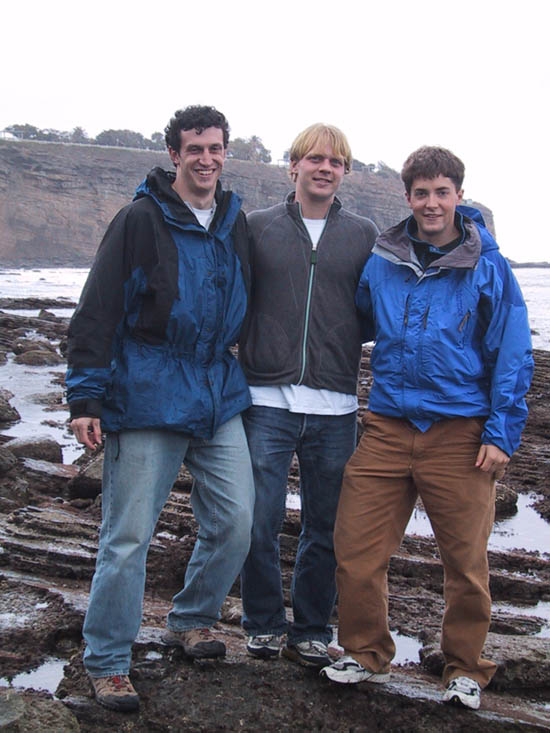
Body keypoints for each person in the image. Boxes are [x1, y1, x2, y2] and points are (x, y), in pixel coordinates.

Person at [321, 146, 533, 711]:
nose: (432, 203)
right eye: (422, 193)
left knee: (465, 562)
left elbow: (513, 353)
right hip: (387, 426)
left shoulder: (489, 266)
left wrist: (501, 433)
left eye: (442, 192)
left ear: (459, 195)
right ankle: (364, 652)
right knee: (356, 550)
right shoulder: (382, 260)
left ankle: (465, 668)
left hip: (461, 433)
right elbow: (355, 323)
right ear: (408, 196)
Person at [66, 105, 255, 712]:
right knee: (127, 537)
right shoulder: (140, 220)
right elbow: (97, 310)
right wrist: (85, 397)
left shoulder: (234, 221)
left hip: (217, 391)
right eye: (194, 148)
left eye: (215, 148)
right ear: (174, 154)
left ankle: (192, 618)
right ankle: (107, 662)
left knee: (237, 521)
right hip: (146, 391)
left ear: (226, 153)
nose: (206, 159)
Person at [239, 123, 379, 667]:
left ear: (345, 172)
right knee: (258, 521)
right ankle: (263, 624)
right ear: (293, 165)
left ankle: (312, 630)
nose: (325, 168)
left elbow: (376, 311)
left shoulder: (364, 235)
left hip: (336, 407)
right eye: (315, 159)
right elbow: (232, 299)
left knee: (327, 528)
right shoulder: (257, 226)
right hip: (265, 401)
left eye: (335, 162)